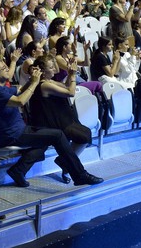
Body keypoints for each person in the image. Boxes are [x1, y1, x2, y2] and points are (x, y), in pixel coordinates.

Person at [0, 59, 103, 187]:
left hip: (18, 130)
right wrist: (34, 83)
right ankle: (80, 175)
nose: (8, 69)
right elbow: (20, 101)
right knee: (57, 135)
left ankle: (18, 170)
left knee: (46, 139)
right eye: (4, 68)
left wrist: (33, 79)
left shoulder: (0, 87)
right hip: (10, 135)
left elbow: (20, 89)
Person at [29, 54, 93, 184]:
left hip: (63, 118)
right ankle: (66, 162)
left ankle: (64, 162)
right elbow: (70, 92)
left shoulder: (51, 82)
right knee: (83, 137)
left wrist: (70, 74)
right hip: (54, 122)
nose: (54, 70)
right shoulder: (44, 85)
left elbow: (65, 86)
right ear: (42, 70)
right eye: (51, 67)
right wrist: (74, 75)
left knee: (86, 133)